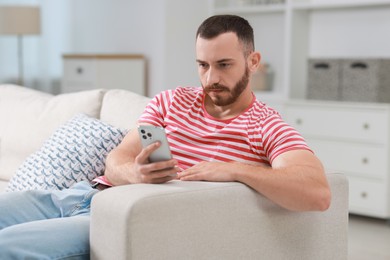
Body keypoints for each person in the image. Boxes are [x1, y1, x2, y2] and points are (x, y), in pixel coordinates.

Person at [0, 14, 331, 259]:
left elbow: (318, 193)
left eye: (224, 65)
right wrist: (137, 173)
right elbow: (116, 160)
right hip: (78, 196)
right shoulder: (171, 102)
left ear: (253, 61)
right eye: (202, 65)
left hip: (117, 218)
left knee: (7, 247)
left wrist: (233, 169)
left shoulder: (265, 125)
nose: (211, 78)